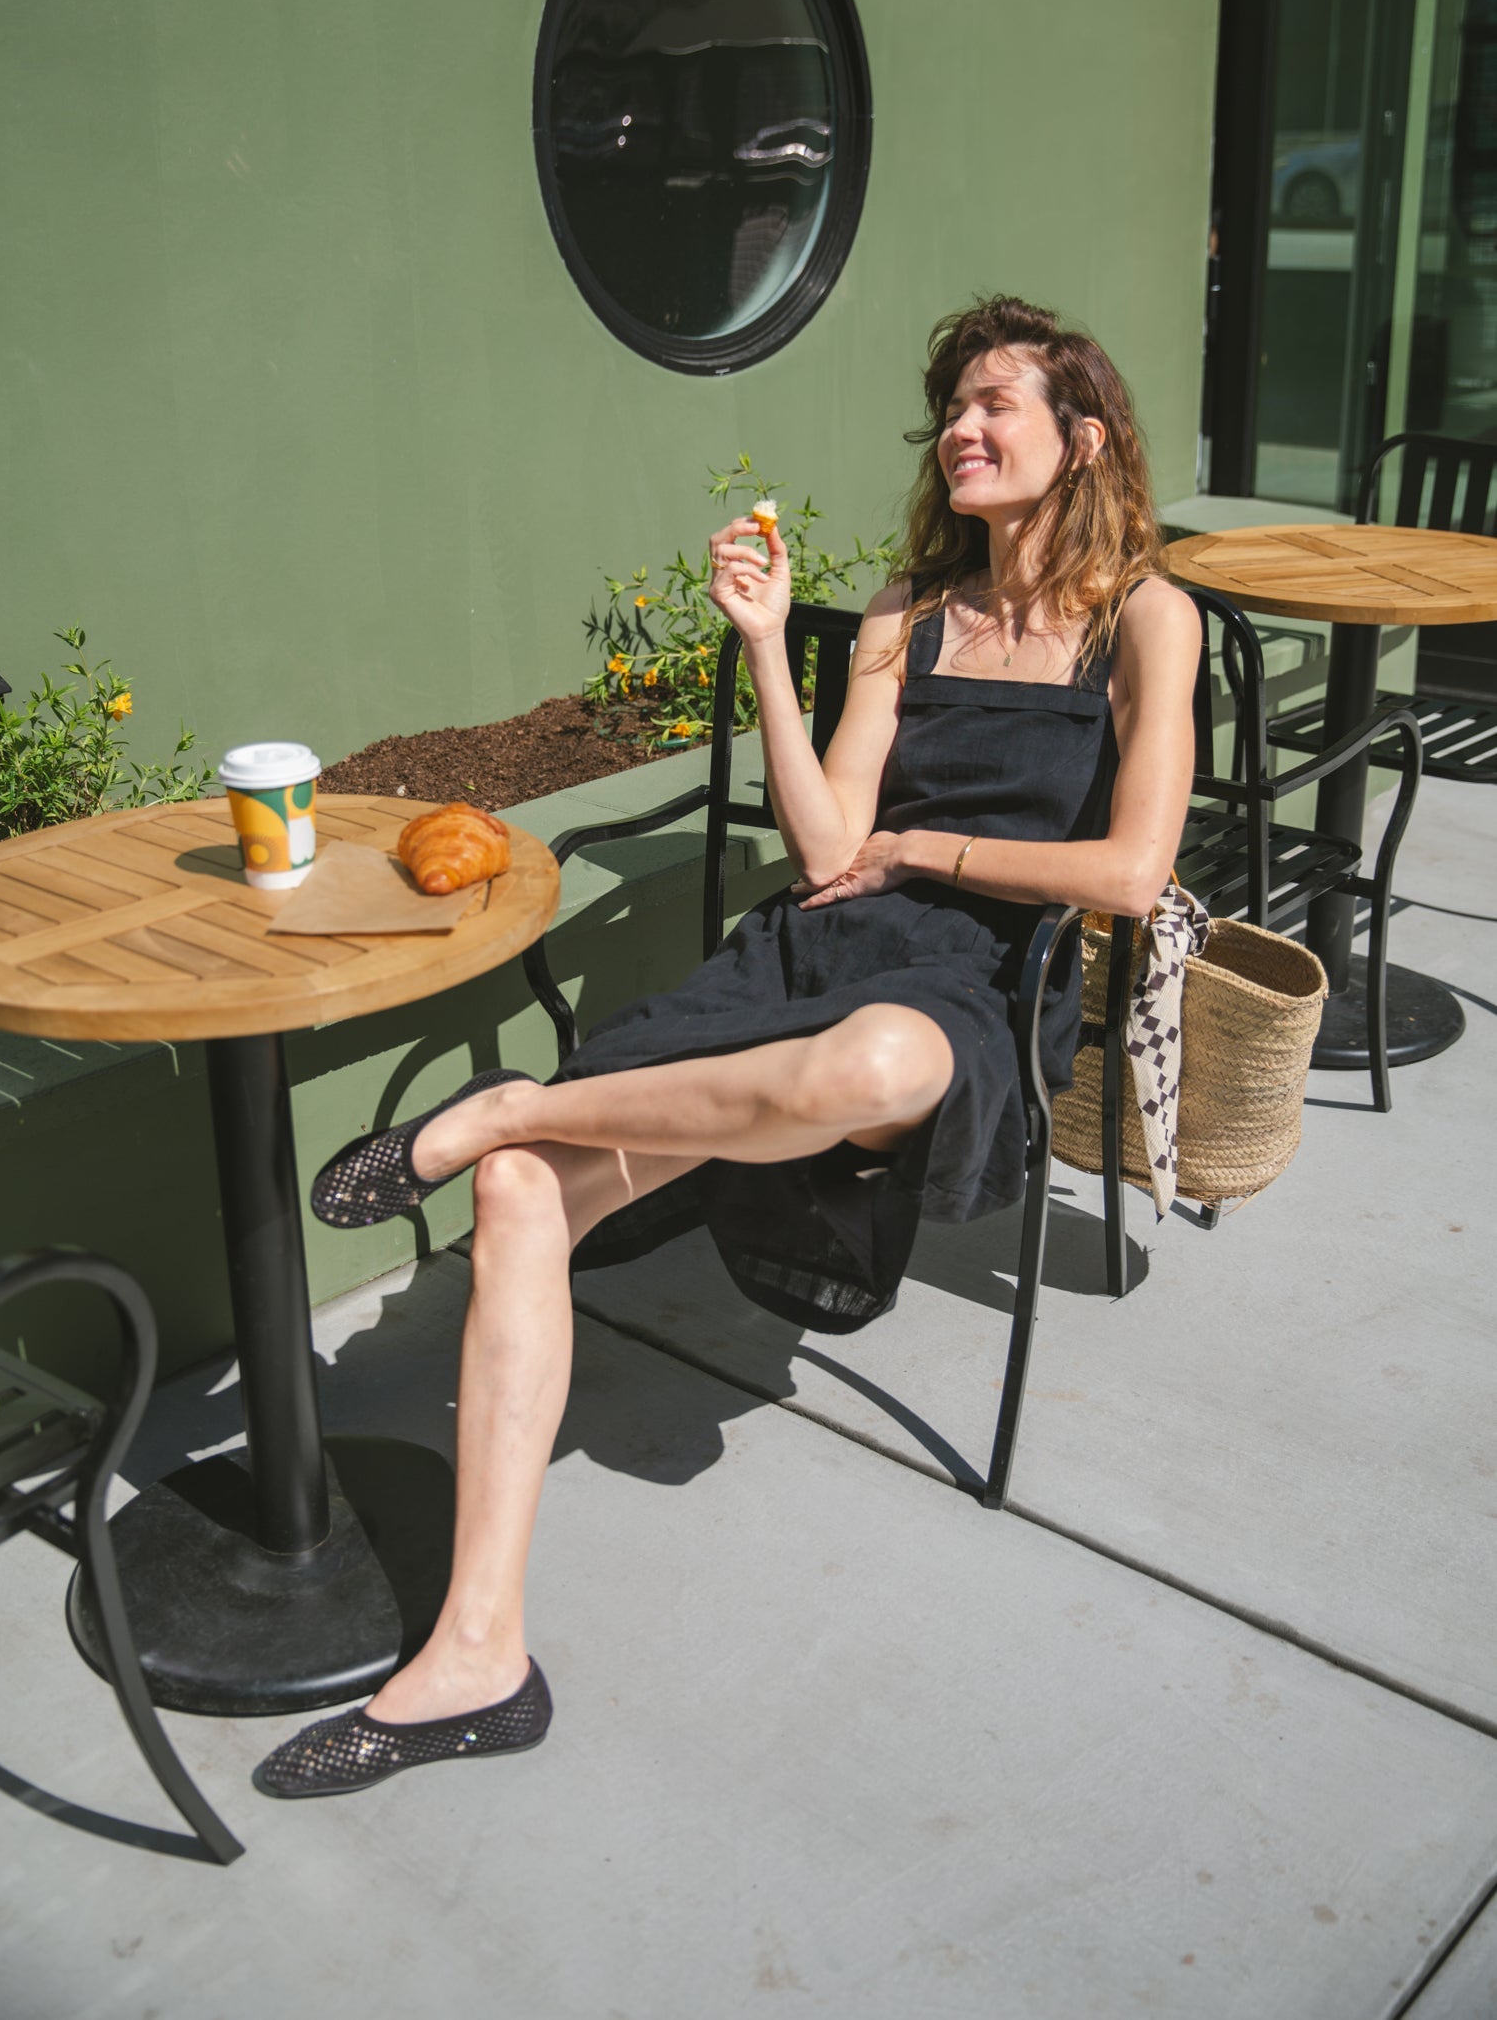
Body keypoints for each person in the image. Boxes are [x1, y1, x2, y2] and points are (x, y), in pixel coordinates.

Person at [254, 294, 1201, 1800]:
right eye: (951, 404)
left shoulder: (1144, 615)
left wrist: (925, 845)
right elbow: (824, 846)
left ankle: (510, 1102)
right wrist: (766, 644)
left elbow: (1133, 872)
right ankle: (478, 1653)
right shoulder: (906, 606)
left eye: (995, 404)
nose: (960, 424)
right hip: (813, 947)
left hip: (967, 986)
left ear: (1081, 436)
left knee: (874, 1070)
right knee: (516, 1198)